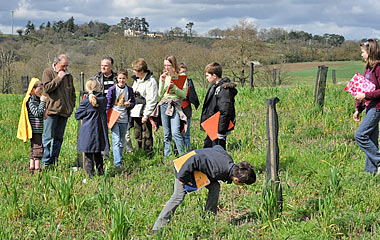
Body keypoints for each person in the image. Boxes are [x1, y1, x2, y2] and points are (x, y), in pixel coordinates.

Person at [152, 145, 256, 232]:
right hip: (184, 166)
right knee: (178, 197)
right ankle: (157, 228)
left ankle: (208, 218)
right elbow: (195, 159)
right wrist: (183, 178)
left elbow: (218, 147)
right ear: (236, 180)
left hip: (195, 166)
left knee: (215, 187)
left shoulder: (228, 160)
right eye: (242, 184)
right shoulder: (216, 170)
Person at [93, 56, 134, 153]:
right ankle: (104, 155)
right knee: (103, 133)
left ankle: (128, 153)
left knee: (124, 134)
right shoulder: (96, 78)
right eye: (102, 65)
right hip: (102, 109)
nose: (103, 67)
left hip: (118, 110)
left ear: (111, 67)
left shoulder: (118, 78)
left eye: (106, 66)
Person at [41, 54, 76, 167]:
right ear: (56, 63)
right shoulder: (48, 72)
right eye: (63, 66)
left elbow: (72, 94)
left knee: (58, 139)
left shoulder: (69, 76)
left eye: (66, 66)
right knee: (48, 138)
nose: (65, 68)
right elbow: (47, 88)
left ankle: (54, 162)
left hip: (64, 112)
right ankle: (45, 163)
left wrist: (71, 107)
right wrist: (59, 78)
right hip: (51, 111)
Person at [353, 39, 380, 174]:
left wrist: (365, 95)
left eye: (363, 52)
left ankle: (379, 160)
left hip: (377, 108)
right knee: (372, 139)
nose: (362, 55)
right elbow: (364, 88)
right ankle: (370, 173)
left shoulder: (379, 68)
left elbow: (374, 92)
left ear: (370, 52)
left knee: (360, 135)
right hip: (369, 107)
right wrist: (358, 109)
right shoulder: (368, 68)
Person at [75, 79, 110, 177]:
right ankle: (100, 173)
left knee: (88, 154)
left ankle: (90, 175)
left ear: (87, 87)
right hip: (99, 130)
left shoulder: (86, 101)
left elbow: (77, 115)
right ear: (97, 87)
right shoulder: (103, 99)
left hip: (88, 131)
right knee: (98, 153)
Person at [200, 62, 237, 150]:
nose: (206, 78)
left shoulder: (224, 90)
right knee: (207, 148)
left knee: (217, 151)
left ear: (214, 76)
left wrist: (221, 132)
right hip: (213, 126)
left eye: (207, 75)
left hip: (218, 128)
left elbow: (225, 111)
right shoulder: (214, 87)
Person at [158, 56, 188, 157]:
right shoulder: (163, 76)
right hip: (164, 105)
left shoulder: (181, 76)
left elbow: (183, 95)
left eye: (169, 65)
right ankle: (168, 156)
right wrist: (162, 82)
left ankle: (182, 156)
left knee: (175, 132)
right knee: (167, 134)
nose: (167, 68)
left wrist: (174, 87)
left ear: (174, 65)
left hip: (175, 105)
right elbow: (160, 94)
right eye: (165, 65)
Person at [17, 78, 47, 173]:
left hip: (37, 128)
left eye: (42, 89)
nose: (41, 91)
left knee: (34, 147)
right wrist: (43, 102)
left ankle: (32, 166)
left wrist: (44, 113)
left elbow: (39, 113)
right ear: (33, 89)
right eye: (39, 89)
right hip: (34, 129)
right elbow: (36, 113)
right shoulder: (31, 100)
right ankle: (37, 168)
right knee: (38, 147)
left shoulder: (36, 99)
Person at [106, 69, 135, 166]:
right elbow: (108, 104)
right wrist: (106, 118)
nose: (121, 80)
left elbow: (133, 102)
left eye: (123, 78)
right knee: (116, 140)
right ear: (116, 78)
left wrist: (129, 104)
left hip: (125, 118)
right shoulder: (112, 90)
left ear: (126, 78)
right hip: (114, 118)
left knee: (122, 141)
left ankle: (120, 158)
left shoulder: (129, 90)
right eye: (120, 78)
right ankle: (117, 163)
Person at [130, 58, 158, 155]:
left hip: (144, 111)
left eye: (135, 70)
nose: (134, 72)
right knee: (137, 133)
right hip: (135, 111)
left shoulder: (151, 81)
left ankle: (148, 153)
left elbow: (152, 100)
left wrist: (146, 115)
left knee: (146, 133)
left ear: (142, 71)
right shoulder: (137, 80)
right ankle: (139, 152)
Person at [179, 62, 199, 152]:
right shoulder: (174, 82)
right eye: (182, 72)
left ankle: (187, 151)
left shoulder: (189, 82)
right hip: (178, 108)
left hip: (187, 108)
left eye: (185, 72)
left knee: (186, 133)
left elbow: (192, 95)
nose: (184, 74)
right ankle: (179, 150)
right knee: (178, 132)